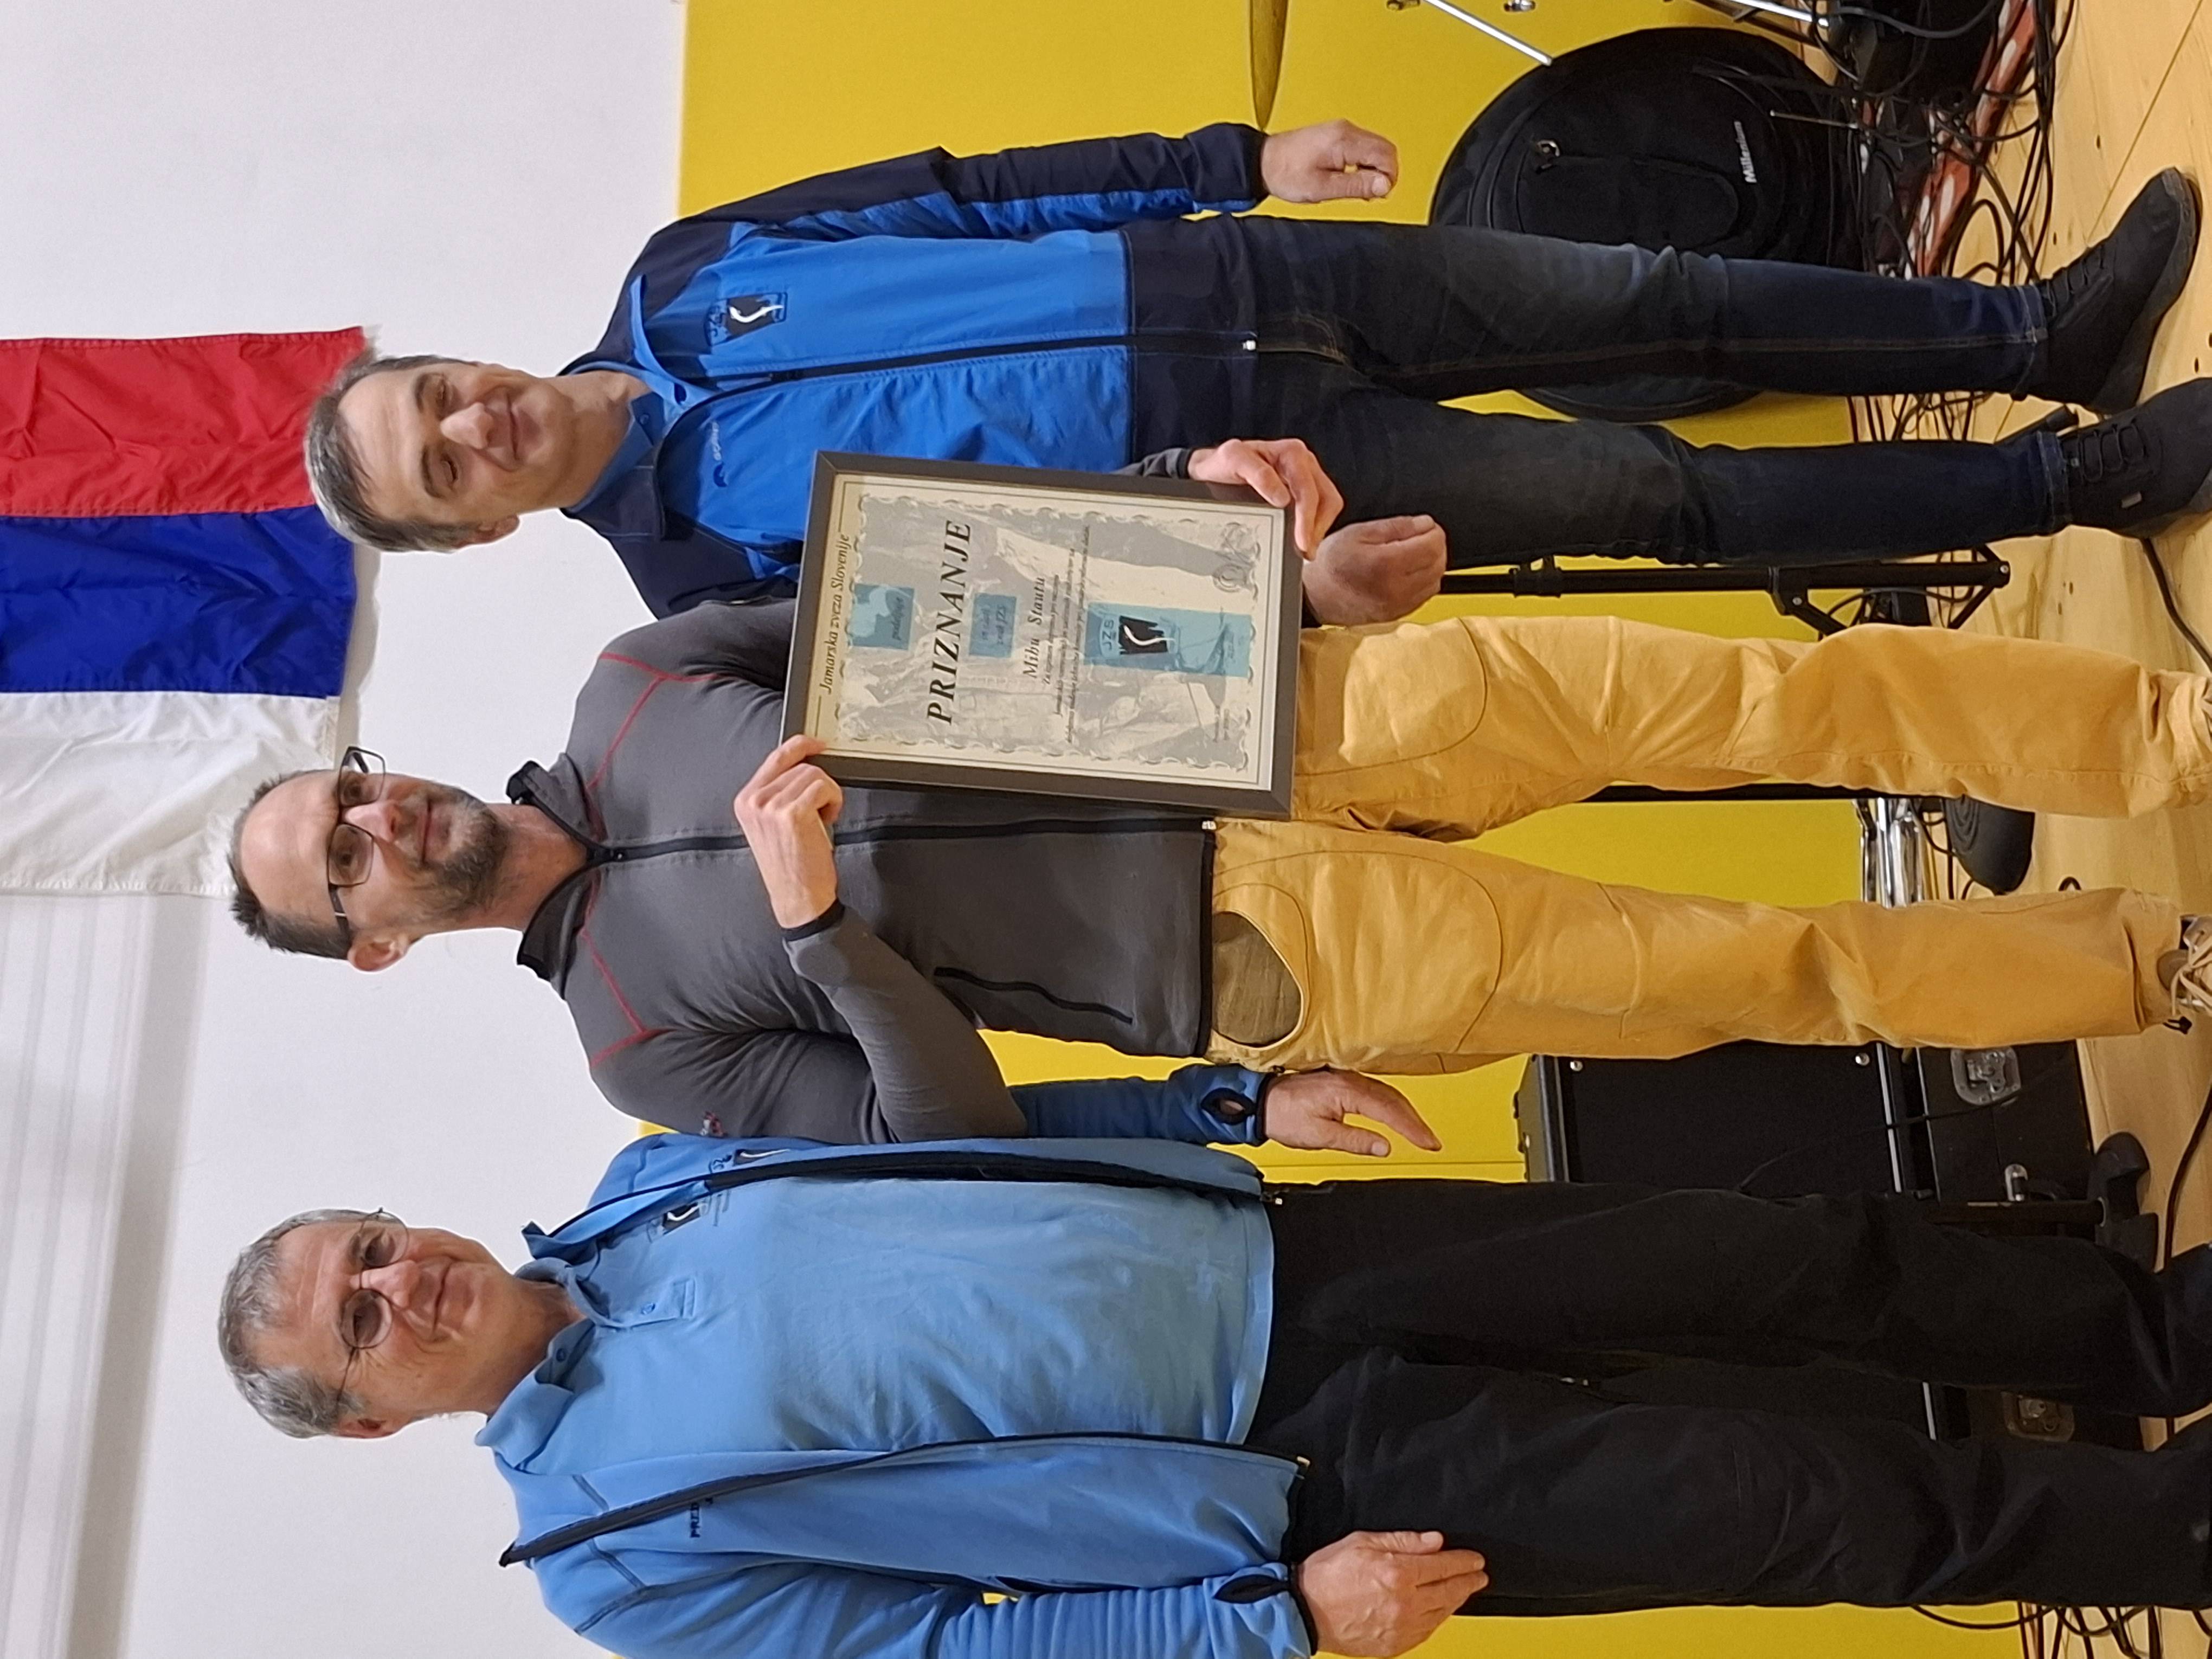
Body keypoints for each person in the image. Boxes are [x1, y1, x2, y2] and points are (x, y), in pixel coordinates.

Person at [220, 1098, 2212, 1658]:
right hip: (1298, 1477)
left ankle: (2161, 1333)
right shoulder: (609, 1560)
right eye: (356, 1320)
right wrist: (1272, 1622)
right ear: (372, 1422)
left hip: (1305, 1248)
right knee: (1816, 1509)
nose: (399, 1280)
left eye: (369, 1243)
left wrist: (1223, 1097)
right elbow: (947, 1651)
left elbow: (969, 1140)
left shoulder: (653, 1177)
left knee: (1789, 1253)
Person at [229, 588, 2212, 1140]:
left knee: (1775, 696)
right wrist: (822, 929)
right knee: (1783, 975)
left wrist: (1262, 567)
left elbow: (966, 582)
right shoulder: (636, 1049)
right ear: (373, 945)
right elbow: (955, 1128)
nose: (379, 823)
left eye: (351, 791)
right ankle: (2146, 965)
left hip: (1285, 706)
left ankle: (2167, 737)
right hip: (1266, 949)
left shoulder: (637, 672)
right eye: (344, 867)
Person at [298, 123, 2212, 621]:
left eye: (436, 394)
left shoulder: (686, 269)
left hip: (1257, 266)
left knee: (1667, 292)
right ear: (477, 533)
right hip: (1256, 472)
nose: (473, 424)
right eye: (443, 466)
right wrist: (1259, 574)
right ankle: (2077, 480)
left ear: (457, 356)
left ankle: (2037, 334)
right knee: (1669, 497)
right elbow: (1009, 610)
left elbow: (969, 197)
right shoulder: (700, 579)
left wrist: (1235, 160)